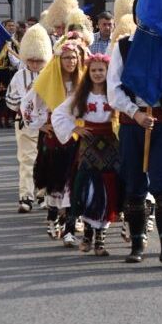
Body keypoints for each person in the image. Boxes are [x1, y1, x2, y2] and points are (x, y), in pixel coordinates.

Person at [108, 15, 162, 265]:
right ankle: (137, 243)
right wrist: (135, 113)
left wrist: (158, 71)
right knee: (134, 184)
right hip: (133, 123)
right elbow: (114, 89)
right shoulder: (123, 46)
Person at [51, 52, 121, 256]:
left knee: (108, 191)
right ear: (87, 72)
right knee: (88, 191)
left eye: (101, 70)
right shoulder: (80, 96)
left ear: (108, 72)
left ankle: (100, 239)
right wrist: (74, 129)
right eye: (94, 70)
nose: (98, 74)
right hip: (89, 147)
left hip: (110, 146)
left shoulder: (115, 94)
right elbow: (59, 114)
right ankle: (88, 233)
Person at [22, 36, 86, 246]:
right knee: (55, 179)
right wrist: (40, 124)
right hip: (55, 137)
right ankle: (52, 215)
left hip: (77, 136)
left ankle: (70, 226)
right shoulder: (48, 78)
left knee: (73, 180)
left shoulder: (82, 80)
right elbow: (28, 102)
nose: (70, 61)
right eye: (66, 57)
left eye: (74, 57)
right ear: (60, 59)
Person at [5, 24, 53, 213]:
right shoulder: (19, 76)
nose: (34, 64)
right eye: (31, 60)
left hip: (47, 124)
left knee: (45, 159)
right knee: (26, 159)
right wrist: (25, 103)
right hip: (25, 123)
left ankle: (42, 193)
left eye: (38, 60)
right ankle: (26, 196)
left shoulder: (50, 76)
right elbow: (9, 98)